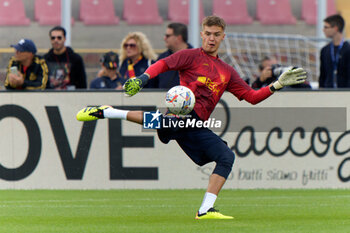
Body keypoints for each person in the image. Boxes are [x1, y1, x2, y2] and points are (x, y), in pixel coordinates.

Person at [76, 16, 307, 219]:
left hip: (196, 126)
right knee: (164, 121)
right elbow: (163, 64)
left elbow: (251, 96)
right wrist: (144, 78)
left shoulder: (227, 71)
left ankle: (206, 210)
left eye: (216, 35)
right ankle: (107, 111)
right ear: (202, 34)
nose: (211, 38)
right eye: (208, 34)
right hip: (183, 112)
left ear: (223, 37)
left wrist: (276, 85)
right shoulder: (190, 56)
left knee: (226, 157)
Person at [151, 23, 193, 88]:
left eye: (167, 36)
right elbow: (154, 85)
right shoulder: (162, 58)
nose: (164, 38)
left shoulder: (196, 58)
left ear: (178, 38)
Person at [319, 14, 350, 88]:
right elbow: (322, 76)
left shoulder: (348, 50)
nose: (323, 30)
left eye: (326, 27)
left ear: (335, 28)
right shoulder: (325, 50)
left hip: (344, 93)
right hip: (328, 93)